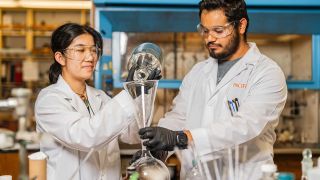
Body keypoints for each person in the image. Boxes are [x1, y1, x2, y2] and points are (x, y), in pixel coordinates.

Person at [138, 0, 287, 179]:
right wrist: (157, 151)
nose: (210, 38)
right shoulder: (198, 72)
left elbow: (245, 126)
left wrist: (181, 138)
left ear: (241, 25)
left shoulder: (266, 72)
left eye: (218, 31)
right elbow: (178, 117)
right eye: (205, 30)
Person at [35, 23, 160, 180]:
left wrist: (142, 92)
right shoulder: (49, 100)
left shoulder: (100, 97)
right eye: (81, 50)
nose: (90, 57)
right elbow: (87, 136)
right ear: (60, 58)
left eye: (93, 50)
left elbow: (132, 135)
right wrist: (130, 93)